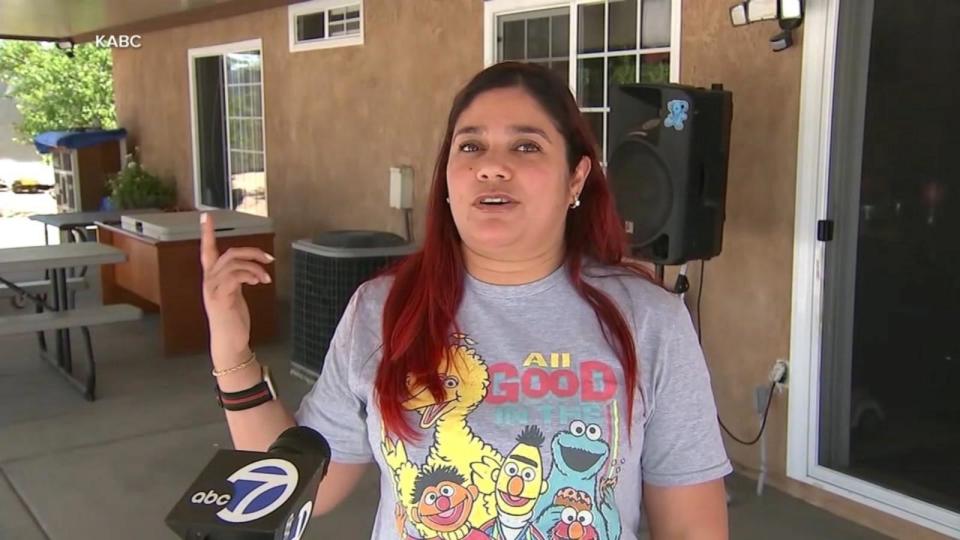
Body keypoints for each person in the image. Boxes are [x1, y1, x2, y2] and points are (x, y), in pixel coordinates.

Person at [200, 61, 732, 540]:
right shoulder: (383, 310)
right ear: (448, 180)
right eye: (470, 146)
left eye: (526, 146)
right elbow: (307, 488)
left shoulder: (649, 321)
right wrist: (230, 350)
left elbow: (691, 526)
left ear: (576, 179)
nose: (491, 166)